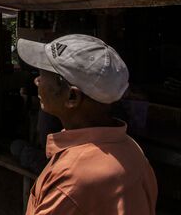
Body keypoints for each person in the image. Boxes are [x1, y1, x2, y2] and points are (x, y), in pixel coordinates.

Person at [17, 34, 157, 215]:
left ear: (72, 97)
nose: (37, 81)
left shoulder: (71, 179)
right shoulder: (132, 150)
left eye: (43, 74)